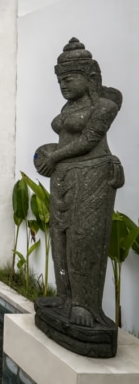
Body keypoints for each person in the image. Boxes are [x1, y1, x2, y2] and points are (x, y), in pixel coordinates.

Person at [33, 38, 123, 356]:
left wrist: (55, 156)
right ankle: (65, 297)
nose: (63, 85)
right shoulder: (68, 107)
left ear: (89, 77)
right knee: (60, 240)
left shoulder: (104, 106)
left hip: (92, 176)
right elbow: (67, 138)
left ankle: (85, 304)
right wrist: (50, 157)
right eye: (59, 80)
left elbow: (87, 141)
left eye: (68, 79)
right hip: (64, 180)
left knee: (84, 241)